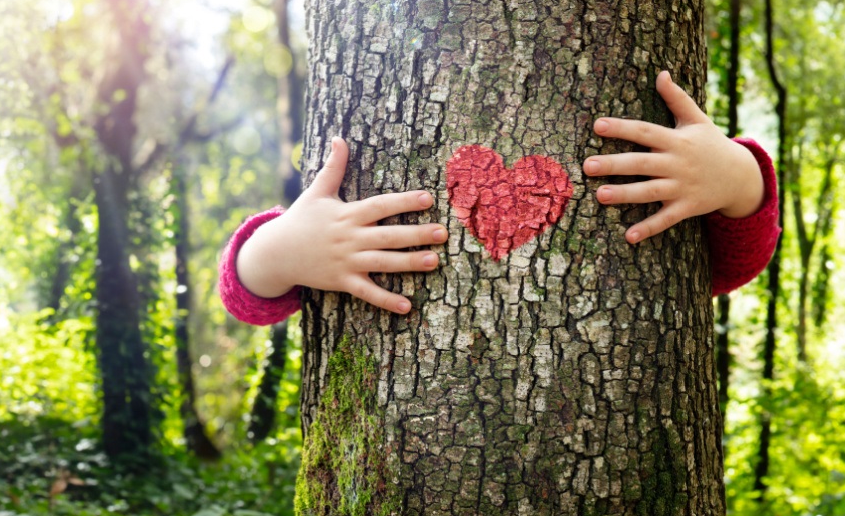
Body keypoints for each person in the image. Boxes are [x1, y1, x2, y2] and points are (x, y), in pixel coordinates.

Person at [219, 71, 780, 326]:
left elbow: (731, 265)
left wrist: (736, 174)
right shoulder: (328, 237)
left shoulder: (681, 184)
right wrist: (280, 251)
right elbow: (244, 291)